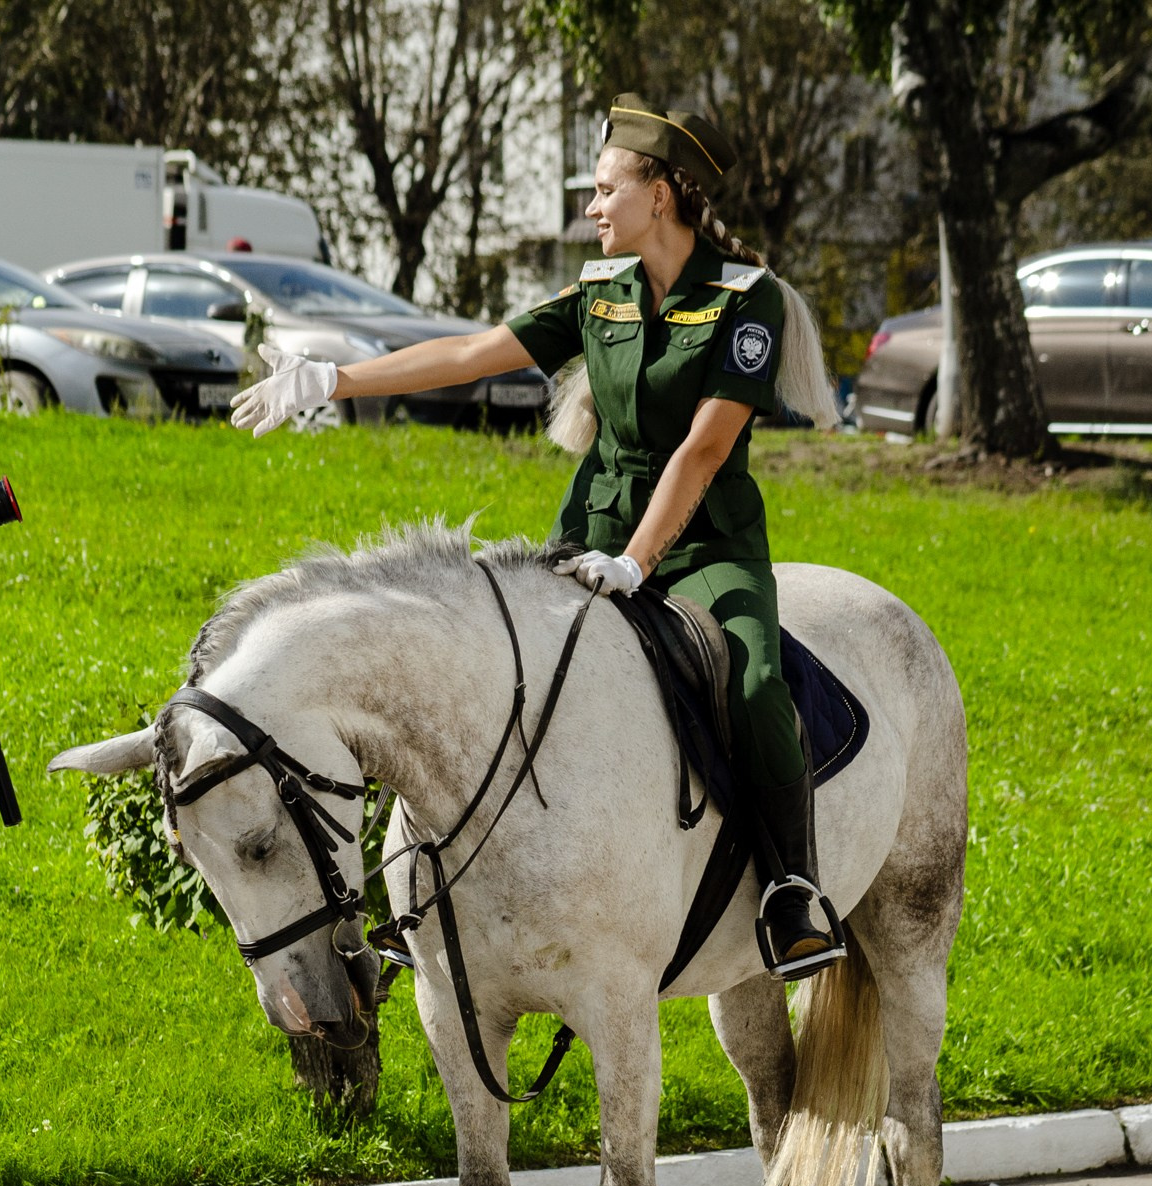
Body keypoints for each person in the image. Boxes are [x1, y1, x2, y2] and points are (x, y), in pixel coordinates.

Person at [229, 94, 845, 972]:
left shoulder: (747, 303)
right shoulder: (600, 295)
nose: (591, 208)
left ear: (661, 193)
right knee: (496, 670)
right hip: (589, 530)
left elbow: (705, 448)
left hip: (706, 545)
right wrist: (333, 379)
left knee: (751, 689)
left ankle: (793, 890)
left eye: (603, 190)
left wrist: (640, 561)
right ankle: (430, 894)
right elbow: (469, 355)